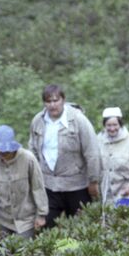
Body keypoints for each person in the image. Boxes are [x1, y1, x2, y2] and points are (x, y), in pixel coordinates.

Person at [28, 84, 102, 227]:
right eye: (48, 101)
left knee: (81, 228)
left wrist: (93, 180)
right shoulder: (38, 120)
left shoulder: (78, 120)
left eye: (56, 100)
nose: (52, 105)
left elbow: (92, 152)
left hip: (76, 185)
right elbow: (32, 149)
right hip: (48, 185)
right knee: (46, 228)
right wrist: (35, 177)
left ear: (63, 100)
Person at [0, 125, 48, 239]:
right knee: (3, 253)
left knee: (23, 252)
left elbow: (38, 187)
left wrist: (41, 214)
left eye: (6, 151)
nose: (2, 153)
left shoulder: (28, 159)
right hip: (2, 219)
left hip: (25, 220)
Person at [97, 107, 129, 206]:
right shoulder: (99, 140)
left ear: (120, 124)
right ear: (104, 125)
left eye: (115, 125)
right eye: (109, 125)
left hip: (128, 193)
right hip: (107, 194)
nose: (112, 128)